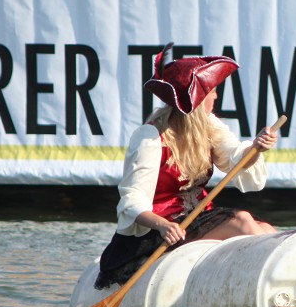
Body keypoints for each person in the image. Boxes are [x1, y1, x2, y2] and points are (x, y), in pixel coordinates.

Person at [94, 43, 278, 289]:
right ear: (198, 100)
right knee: (243, 220)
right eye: (211, 91)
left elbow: (237, 159)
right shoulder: (150, 136)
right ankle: (273, 283)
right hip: (161, 230)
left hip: (197, 218)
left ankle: (288, 277)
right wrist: (162, 225)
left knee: (264, 227)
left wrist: (257, 148)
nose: (215, 96)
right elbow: (132, 200)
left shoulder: (209, 126)